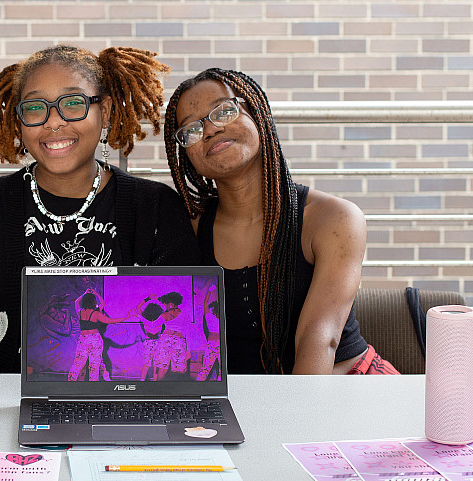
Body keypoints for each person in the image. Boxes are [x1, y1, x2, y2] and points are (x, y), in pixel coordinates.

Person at [0, 44, 200, 373]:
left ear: (105, 111)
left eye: (72, 103)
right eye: (36, 108)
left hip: (126, 400)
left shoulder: (155, 209)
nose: (53, 122)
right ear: (20, 120)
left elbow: (175, 314)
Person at [164, 68, 399, 375]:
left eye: (223, 111)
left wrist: (292, 422)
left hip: (347, 390)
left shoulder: (333, 218)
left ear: (257, 113)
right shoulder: (189, 230)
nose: (209, 129)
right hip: (247, 405)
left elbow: (320, 338)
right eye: (191, 129)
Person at [67, 288, 131, 381]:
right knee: (94, 365)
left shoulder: (80, 311)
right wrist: (127, 317)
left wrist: (85, 293)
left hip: (83, 339)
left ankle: (70, 383)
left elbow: (76, 302)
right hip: (94, 340)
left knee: (77, 363)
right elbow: (111, 320)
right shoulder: (96, 313)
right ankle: (94, 386)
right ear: (93, 302)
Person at [197, 285, 221, 381]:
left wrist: (210, 290)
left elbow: (205, 302)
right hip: (220, 344)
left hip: (211, 344)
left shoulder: (209, 317)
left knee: (205, 369)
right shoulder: (221, 319)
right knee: (221, 370)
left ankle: (198, 387)